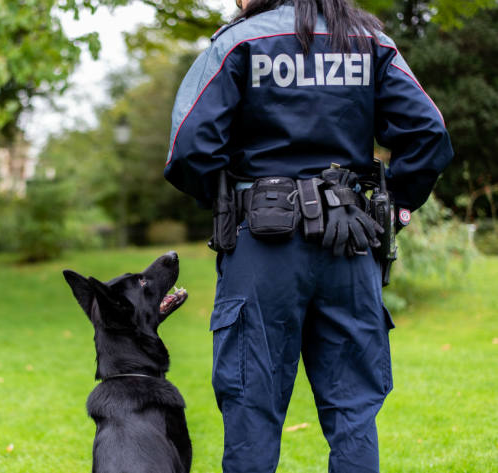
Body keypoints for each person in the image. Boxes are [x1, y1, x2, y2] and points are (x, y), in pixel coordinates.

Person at [163, 0, 453, 472]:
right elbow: (429, 132)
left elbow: (189, 148)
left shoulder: (239, 42)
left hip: (263, 244)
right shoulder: (369, 41)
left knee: (251, 407)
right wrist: (394, 206)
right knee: (354, 414)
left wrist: (231, 204)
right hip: (350, 238)